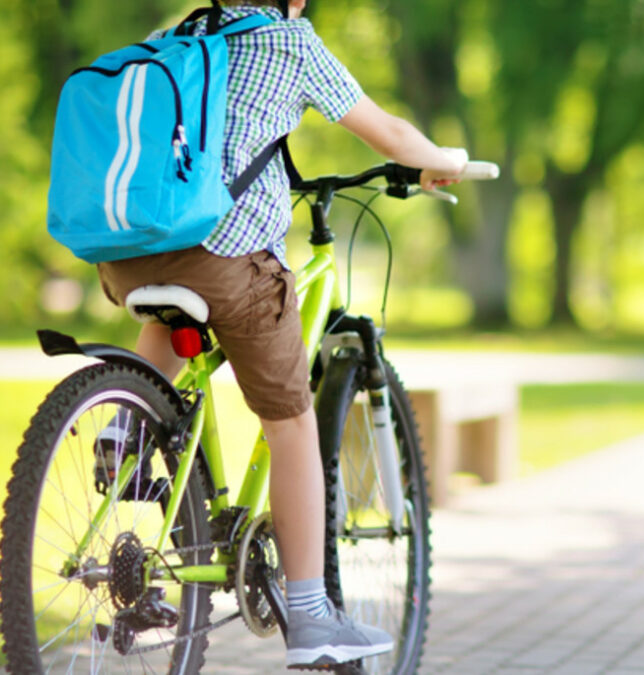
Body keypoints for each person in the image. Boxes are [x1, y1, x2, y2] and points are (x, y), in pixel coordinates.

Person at [94, 0, 465, 667]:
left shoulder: (177, 33)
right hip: (228, 264)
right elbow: (387, 132)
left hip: (130, 254)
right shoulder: (289, 42)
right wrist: (446, 161)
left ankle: (119, 431)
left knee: (167, 318)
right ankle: (311, 612)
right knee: (291, 421)